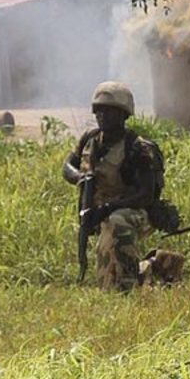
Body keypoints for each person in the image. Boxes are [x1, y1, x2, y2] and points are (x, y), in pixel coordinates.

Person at [62, 81, 160, 291]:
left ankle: (133, 279)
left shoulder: (136, 148)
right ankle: (149, 268)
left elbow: (146, 194)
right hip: (97, 211)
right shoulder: (90, 140)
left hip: (134, 213)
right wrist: (80, 177)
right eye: (99, 111)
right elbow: (67, 166)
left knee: (116, 223)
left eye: (109, 112)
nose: (102, 116)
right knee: (108, 274)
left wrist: (109, 208)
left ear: (124, 114)